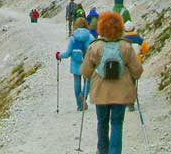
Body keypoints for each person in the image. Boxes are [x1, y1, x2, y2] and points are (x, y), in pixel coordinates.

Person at [81, 11, 143, 154]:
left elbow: (85, 71)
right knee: (117, 124)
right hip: (121, 94)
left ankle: (102, 151)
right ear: (120, 27)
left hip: (100, 93)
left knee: (102, 123)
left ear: (101, 28)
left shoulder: (95, 47)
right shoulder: (126, 46)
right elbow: (137, 71)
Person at [55, 18, 94, 110]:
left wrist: (59, 55)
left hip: (76, 65)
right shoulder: (90, 37)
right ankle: (84, 95)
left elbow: (68, 53)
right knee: (88, 80)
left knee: (77, 83)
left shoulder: (73, 38)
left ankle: (80, 105)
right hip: (87, 63)